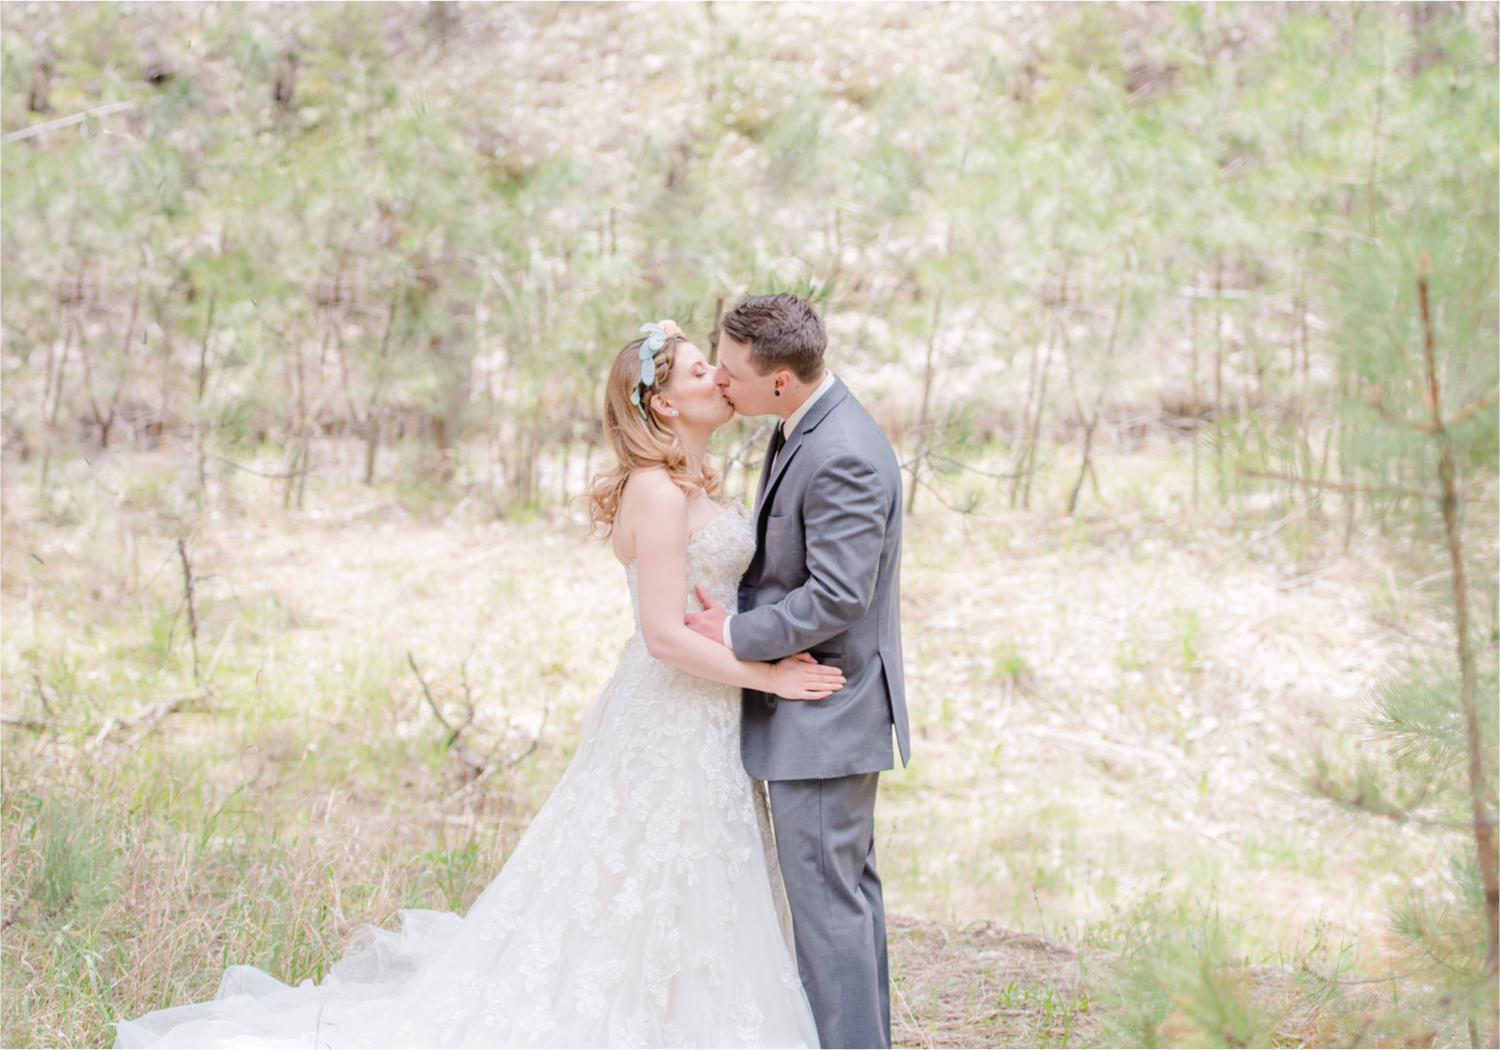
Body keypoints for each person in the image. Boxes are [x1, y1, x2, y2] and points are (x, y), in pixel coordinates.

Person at [114, 322, 836, 1049]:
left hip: (704, 714)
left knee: (693, 886)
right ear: (666, 406)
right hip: (672, 709)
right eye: (698, 369)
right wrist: (767, 675)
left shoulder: (688, 483)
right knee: (643, 876)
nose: (717, 377)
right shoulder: (656, 491)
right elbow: (662, 635)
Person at [686, 294, 909, 1050]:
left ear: (781, 381)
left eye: (731, 371)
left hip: (824, 708)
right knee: (842, 904)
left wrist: (734, 631)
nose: (720, 381)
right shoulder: (804, 423)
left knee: (829, 913)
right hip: (821, 713)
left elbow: (840, 595)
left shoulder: (842, 448)